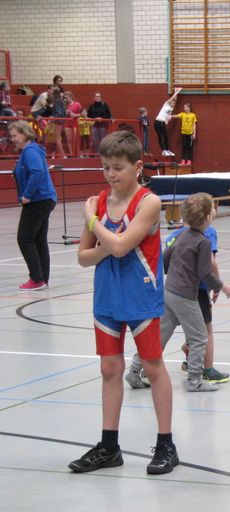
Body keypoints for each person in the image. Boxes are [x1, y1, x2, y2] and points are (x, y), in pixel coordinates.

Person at [68, 130, 177, 475]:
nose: (111, 174)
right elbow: (83, 257)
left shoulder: (148, 202)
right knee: (109, 370)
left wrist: (92, 222)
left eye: (118, 167)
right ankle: (109, 446)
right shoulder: (99, 201)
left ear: (137, 166)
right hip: (106, 299)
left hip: (141, 298)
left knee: (153, 367)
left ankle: (166, 443)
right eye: (105, 168)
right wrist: (105, 239)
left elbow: (119, 247)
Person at [126, 193, 230, 392]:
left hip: (169, 292)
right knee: (199, 336)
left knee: (158, 336)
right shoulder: (203, 242)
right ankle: (195, 380)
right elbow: (204, 272)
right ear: (207, 217)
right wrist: (222, 286)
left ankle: (134, 371)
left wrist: (173, 271)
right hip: (184, 296)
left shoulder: (180, 235)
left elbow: (166, 257)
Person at [9, 121, 57, 290]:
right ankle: (42, 278)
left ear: (24, 134)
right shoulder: (31, 151)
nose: (12, 139)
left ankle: (37, 278)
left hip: (38, 200)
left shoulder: (30, 151)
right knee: (39, 240)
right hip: (45, 199)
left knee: (25, 238)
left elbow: (37, 172)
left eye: (15, 135)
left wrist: (27, 195)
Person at [155, 88, 181, 157]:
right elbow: (172, 98)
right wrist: (177, 91)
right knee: (160, 136)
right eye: (172, 103)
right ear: (170, 102)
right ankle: (163, 151)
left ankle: (167, 150)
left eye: (174, 103)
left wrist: (176, 92)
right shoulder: (166, 104)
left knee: (166, 136)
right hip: (158, 122)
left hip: (163, 123)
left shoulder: (171, 109)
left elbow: (175, 100)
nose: (173, 104)